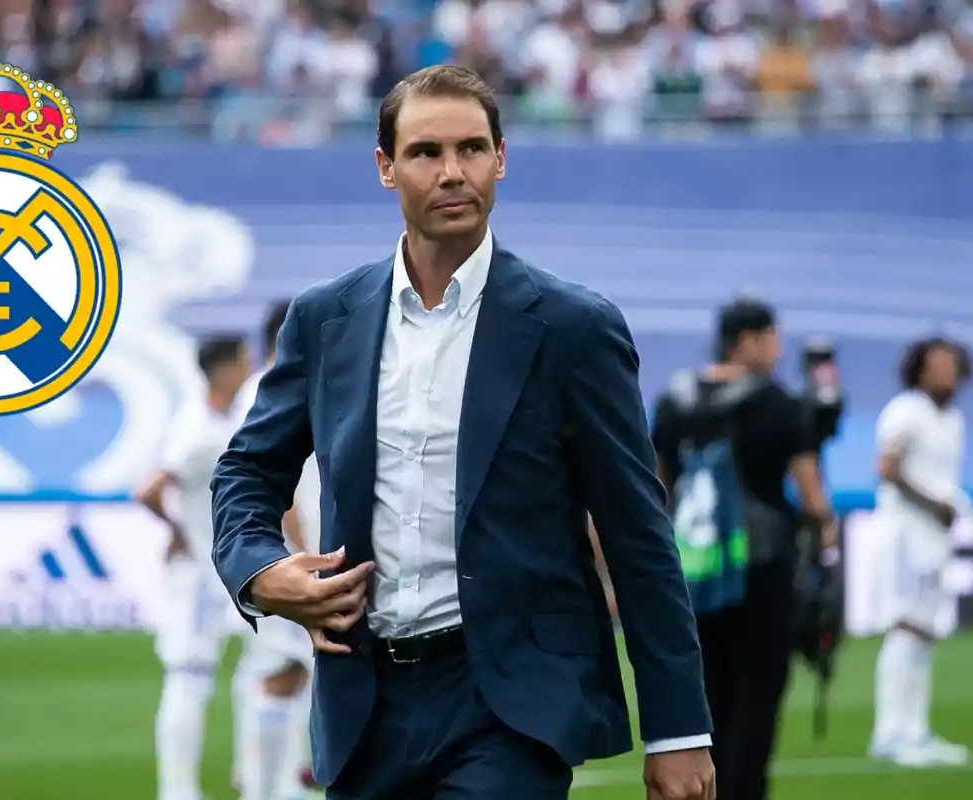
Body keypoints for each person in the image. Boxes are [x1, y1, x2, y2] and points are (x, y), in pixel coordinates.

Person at [212, 65, 715, 800]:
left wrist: (678, 729)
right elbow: (246, 475)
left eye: (472, 149)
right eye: (425, 153)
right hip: (364, 700)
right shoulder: (325, 320)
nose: (453, 173)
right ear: (385, 168)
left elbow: (638, 534)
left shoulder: (574, 328)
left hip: (509, 704)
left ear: (501, 159)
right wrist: (261, 573)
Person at [651, 297, 834, 800]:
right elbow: (814, 500)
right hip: (761, 571)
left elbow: (655, 490)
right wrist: (824, 552)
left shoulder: (675, 400)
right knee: (757, 699)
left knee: (705, 696)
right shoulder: (779, 404)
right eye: (772, 337)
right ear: (748, 340)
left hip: (691, 571)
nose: (777, 349)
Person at [135, 334, 252, 800]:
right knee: (188, 675)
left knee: (205, 672)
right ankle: (177, 789)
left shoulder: (219, 421)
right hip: (198, 571)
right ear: (223, 369)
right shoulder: (196, 427)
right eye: (243, 362)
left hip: (213, 565)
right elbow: (147, 489)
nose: (249, 368)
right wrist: (179, 529)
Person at [231, 300, 324, 800]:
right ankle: (263, 790)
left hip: (282, 553)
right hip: (282, 559)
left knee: (283, 672)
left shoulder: (276, 386)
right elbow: (271, 478)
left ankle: (277, 781)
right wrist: (304, 548)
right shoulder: (269, 390)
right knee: (281, 673)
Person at [869, 337, 972, 767]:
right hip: (904, 535)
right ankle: (892, 732)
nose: (946, 373)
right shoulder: (906, 411)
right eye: (937, 365)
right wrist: (936, 505)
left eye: (952, 365)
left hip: (933, 539)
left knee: (925, 630)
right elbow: (888, 469)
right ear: (918, 369)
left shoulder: (952, 419)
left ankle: (916, 729)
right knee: (906, 627)